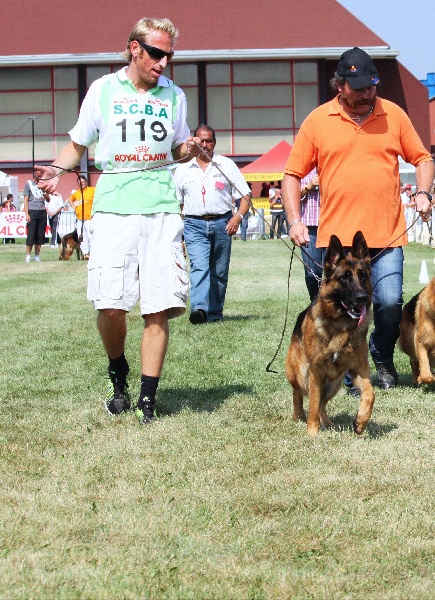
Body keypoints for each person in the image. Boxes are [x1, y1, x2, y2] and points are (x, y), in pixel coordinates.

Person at [35, 17, 200, 424]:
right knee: (110, 305)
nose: (164, 62)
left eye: (170, 55)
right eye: (157, 53)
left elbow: (177, 149)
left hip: (162, 207)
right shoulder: (104, 90)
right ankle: (118, 371)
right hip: (112, 208)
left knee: (158, 307)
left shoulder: (174, 96)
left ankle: (147, 397)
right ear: (135, 49)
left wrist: (189, 148)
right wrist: (56, 170)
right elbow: (78, 145)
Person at [282, 47, 434, 391]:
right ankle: (350, 373)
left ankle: (380, 354)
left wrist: (423, 192)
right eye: (360, 87)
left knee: (390, 302)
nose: (368, 93)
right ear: (341, 85)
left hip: (388, 235)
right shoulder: (319, 120)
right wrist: (294, 220)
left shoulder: (393, 114)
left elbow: (423, 158)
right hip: (337, 243)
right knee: (340, 309)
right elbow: (292, 174)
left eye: (373, 85)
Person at [173, 124, 251, 324]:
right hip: (193, 224)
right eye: (201, 141)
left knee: (219, 271)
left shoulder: (225, 165)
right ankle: (199, 309)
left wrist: (237, 218)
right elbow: (176, 203)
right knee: (199, 266)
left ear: (214, 143)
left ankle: (215, 313)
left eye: (209, 141)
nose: (205, 145)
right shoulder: (182, 168)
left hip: (223, 223)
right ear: (193, 142)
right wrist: (177, 232)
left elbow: (245, 195)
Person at [300, 168, 322, 301]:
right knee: (312, 273)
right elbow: (287, 198)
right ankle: (316, 306)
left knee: (337, 271)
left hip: (333, 225)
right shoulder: (302, 168)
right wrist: (308, 186)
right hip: (309, 226)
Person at [68, 175, 95, 259]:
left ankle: (93, 253)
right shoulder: (77, 193)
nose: (81, 184)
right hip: (80, 219)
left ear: (86, 182)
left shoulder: (92, 190)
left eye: (83, 182)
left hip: (89, 218)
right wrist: (74, 207)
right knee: (82, 237)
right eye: (79, 182)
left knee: (91, 237)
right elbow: (70, 199)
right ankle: (85, 253)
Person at [23, 176, 48, 262]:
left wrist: (45, 193)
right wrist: (27, 214)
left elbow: (48, 199)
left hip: (42, 210)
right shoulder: (29, 184)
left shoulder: (43, 185)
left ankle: (37, 255)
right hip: (32, 211)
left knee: (40, 234)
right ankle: (28, 255)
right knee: (31, 233)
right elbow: (25, 200)